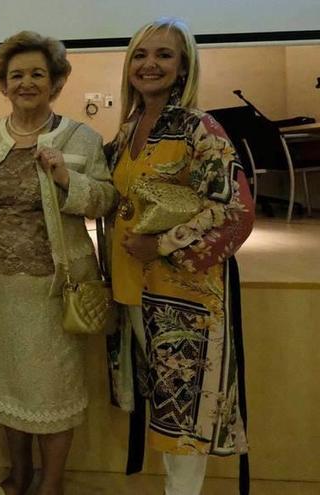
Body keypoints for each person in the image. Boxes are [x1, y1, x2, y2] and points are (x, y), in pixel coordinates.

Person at [0, 31, 115, 495]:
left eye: (38, 73)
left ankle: (51, 482)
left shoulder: (82, 136)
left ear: (56, 82)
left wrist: (65, 177)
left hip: (54, 290)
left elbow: (104, 199)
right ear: (2, 82)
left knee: (53, 391)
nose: (26, 82)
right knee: (7, 388)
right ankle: (19, 474)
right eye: (16, 74)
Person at [104, 18, 253, 495]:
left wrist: (164, 245)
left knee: (184, 417)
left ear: (184, 64)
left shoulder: (199, 128)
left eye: (164, 55)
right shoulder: (129, 130)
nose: (150, 65)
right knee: (164, 407)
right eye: (141, 55)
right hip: (133, 290)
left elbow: (235, 210)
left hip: (183, 300)